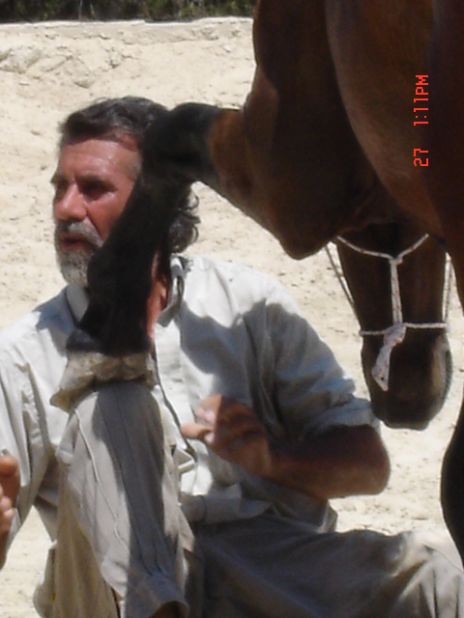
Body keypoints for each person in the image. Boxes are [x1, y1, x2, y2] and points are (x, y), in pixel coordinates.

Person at [0, 96, 463, 618]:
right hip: (108, 592)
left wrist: (272, 460)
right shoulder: (23, 354)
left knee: (437, 576)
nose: (66, 208)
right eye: (60, 188)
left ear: (157, 200)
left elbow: (368, 467)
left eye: (94, 189)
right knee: (111, 406)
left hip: (264, 563)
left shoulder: (246, 306)